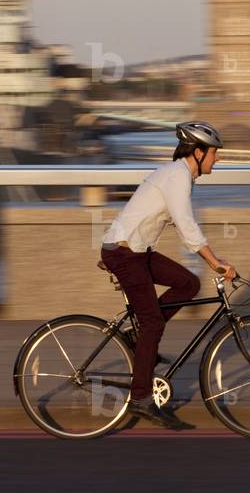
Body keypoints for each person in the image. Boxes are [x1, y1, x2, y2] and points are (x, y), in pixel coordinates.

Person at [99, 120, 236, 429]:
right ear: (198, 152)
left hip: (132, 249)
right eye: (214, 153)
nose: (218, 159)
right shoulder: (177, 176)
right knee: (153, 324)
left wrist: (109, 242)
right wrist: (216, 262)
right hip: (126, 254)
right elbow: (186, 224)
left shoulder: (177, 175)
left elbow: (140, 211)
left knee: (188, 283)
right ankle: (141, 399)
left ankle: (141, 338)